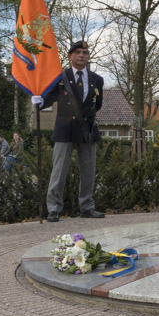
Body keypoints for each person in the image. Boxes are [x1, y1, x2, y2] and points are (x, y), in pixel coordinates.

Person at [32, 40, 105, 221]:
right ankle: (54, 209)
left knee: (88, 172)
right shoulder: (60, 77)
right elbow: (47, 100)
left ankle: (87, 207)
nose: (82, 55)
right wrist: (39, 101)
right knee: (59, 171)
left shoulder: (97, 79)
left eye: (85, 52)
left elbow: (98, 104)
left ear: (88, 57)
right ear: (70, 56)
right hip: (65, 130)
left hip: (87, 131)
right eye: (78, 52)